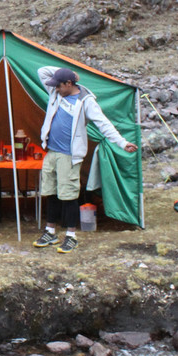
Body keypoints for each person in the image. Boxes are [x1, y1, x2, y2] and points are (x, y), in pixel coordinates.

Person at [34, 66, 138, 253]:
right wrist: (69, 73)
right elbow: (42, 71)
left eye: (59, 85)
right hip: (51, 152)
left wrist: (122, 143)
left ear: (69, 84)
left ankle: (71, 236)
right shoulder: (56, 92)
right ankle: (50, 232)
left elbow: (103, 124)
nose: (55, 88)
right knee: (51, 192)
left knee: (69, 196)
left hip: (69, 156)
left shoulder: (85, 101)